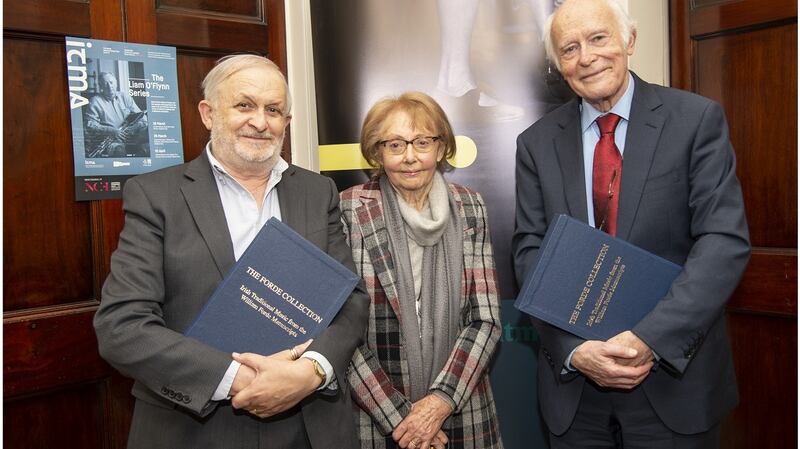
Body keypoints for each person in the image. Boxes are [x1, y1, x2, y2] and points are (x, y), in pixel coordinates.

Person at [93, 54, 370, 449]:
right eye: (244, 105)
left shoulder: (317, 191)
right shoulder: (155, 196)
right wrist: (244, 380)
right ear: (208, 113)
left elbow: (351, 301)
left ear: (287, 123)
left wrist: (309, 372)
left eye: (274, 110)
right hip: (194, 428)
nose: (260, 121)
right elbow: (122, 326)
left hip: (310, 427)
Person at [511, 1, 750, 448]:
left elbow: (723, 241)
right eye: (569, 48)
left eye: (599, 38)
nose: (586, 57)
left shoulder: (695, 120)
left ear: (630, 40)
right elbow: (530, 251)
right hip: (575, 393)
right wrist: (574, 350)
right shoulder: (535, 144)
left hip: (673, 383)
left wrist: (649, 338)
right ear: (559, 66)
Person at [340, 92, 504, 449]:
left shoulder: (470, 207)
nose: (410, 157)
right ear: (377, 153)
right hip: (376, 417)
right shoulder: (348, 210)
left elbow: (486, 319)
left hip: (462, 407)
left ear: (441, 147)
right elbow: (341, 330)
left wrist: (439, 402)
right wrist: (404, 421)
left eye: (422, 142)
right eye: (395, 144)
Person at [85, 71, 149, 157]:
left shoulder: (125, 96)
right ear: (101, 86)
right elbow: (90, 125)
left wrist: (132, 129)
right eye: (105, 83)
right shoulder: (95, 101)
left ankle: (138, 161)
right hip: (113, 139)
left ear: (116, 83)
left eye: (111, 82)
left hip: (132, 135)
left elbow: (143, 118)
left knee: (151, 136)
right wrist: (112, 131)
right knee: (119, 151)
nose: (109, 86)